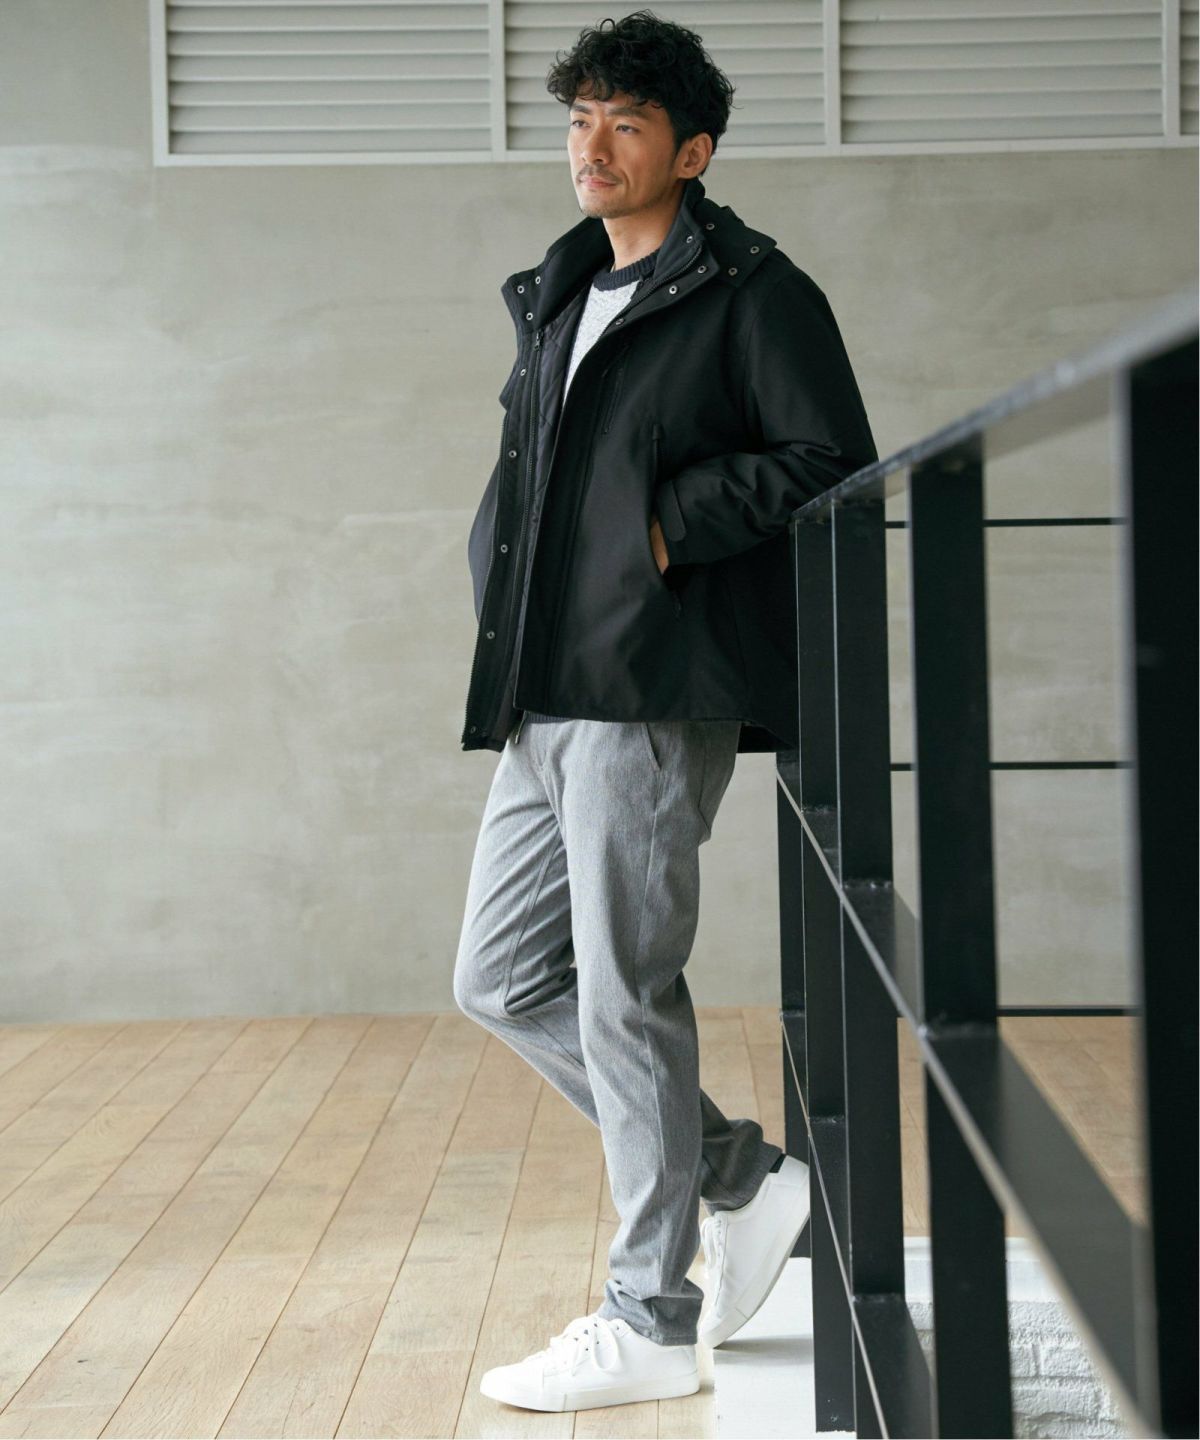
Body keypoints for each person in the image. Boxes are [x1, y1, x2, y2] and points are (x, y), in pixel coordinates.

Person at [453, 9, 878, 1414]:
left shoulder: (755, 293)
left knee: (624, 993)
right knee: (501, 978)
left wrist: (662, 528)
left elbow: (827, 455)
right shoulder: (563, 288)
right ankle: (745, 1180)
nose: (593, 144)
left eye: (625, 123)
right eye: (580, 118)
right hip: (547, 688)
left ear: (691, 152)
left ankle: (649, 1315)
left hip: (650, 686)